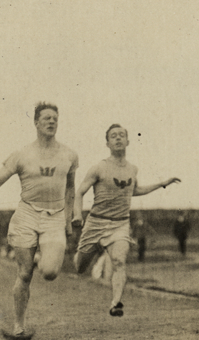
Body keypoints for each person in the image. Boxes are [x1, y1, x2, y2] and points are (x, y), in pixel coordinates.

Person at [0, 102, 80, 339]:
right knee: (25, 273)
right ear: (36, 122)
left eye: (54, 118)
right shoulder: (22, 154)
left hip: (55, 217)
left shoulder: (69, 155)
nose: (51, 121)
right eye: (46, 118)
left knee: (49, 272)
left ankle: (42, 251)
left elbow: (70, 189)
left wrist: (70, 219)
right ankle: (18, 325)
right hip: (26, 215)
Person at [73, 123, 180, 316]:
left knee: (119, 261)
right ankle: (92, 249)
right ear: (107, 143)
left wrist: (161, 184)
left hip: (120, 224)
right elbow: (79, 192)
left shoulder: (133, 169)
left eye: (122, 135)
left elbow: (134, 191)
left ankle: (115, 303)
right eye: (113, 136)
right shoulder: (98, 168)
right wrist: (77, 215)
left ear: (128, 141)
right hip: (96, 222)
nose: (118, 138)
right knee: (79, 267)